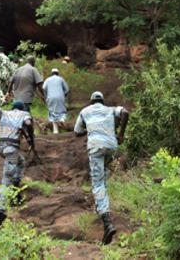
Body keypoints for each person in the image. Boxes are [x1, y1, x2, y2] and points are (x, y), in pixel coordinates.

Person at [74, 91, 129, 245]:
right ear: (102, 101)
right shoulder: (110, 110)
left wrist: (90, 129)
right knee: (102, 176)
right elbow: (125, 112)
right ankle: (101, 204)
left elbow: (77, 132)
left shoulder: (85, 111)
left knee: (97, 183)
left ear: (91, 102)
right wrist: (121, 134)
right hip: (111, 146)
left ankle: (107, 222)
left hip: (96, 147)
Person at [0, 100, 35, 229]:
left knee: (21, 162)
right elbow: (28, 123)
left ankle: (16, 193)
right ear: (22, 108)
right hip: (11, 148)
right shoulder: (24, 114)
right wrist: (31, 139)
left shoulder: (5, 113)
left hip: (1, 147)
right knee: (6, 179)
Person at [42, 68, 69, 133]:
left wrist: (46, 96)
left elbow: (43, 88)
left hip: (50, 97)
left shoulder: (48, 79)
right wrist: (64, 95)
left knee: (52, 111)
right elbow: (67, 89)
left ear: (51, 73)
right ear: (58, 73)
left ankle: (55, 130)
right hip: (60, 97)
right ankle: (62, 120)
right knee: (62, 110)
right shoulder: (61, 79)